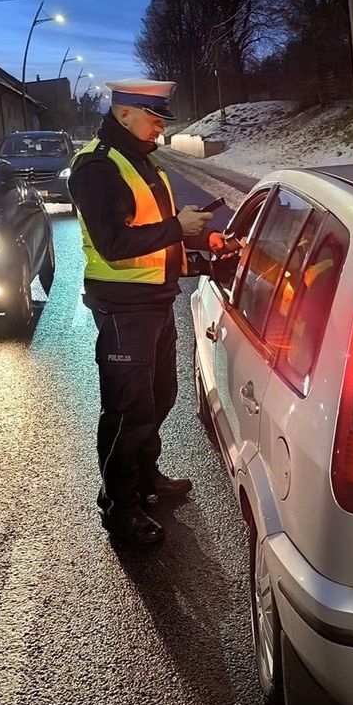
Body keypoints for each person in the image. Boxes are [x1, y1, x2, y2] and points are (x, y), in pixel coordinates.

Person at [69, 78, 236, 545]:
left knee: (159, 398)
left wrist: (202, 242)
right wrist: (176, 226)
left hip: (156, 303)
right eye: (154, 117)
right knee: (127, 412)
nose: (161, 127)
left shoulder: (143, 161)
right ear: (125, 114)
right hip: (124, 308)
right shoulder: (97, 168)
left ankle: (146, 479)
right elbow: (116, 245)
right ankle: (121, 509)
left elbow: (159, 235)